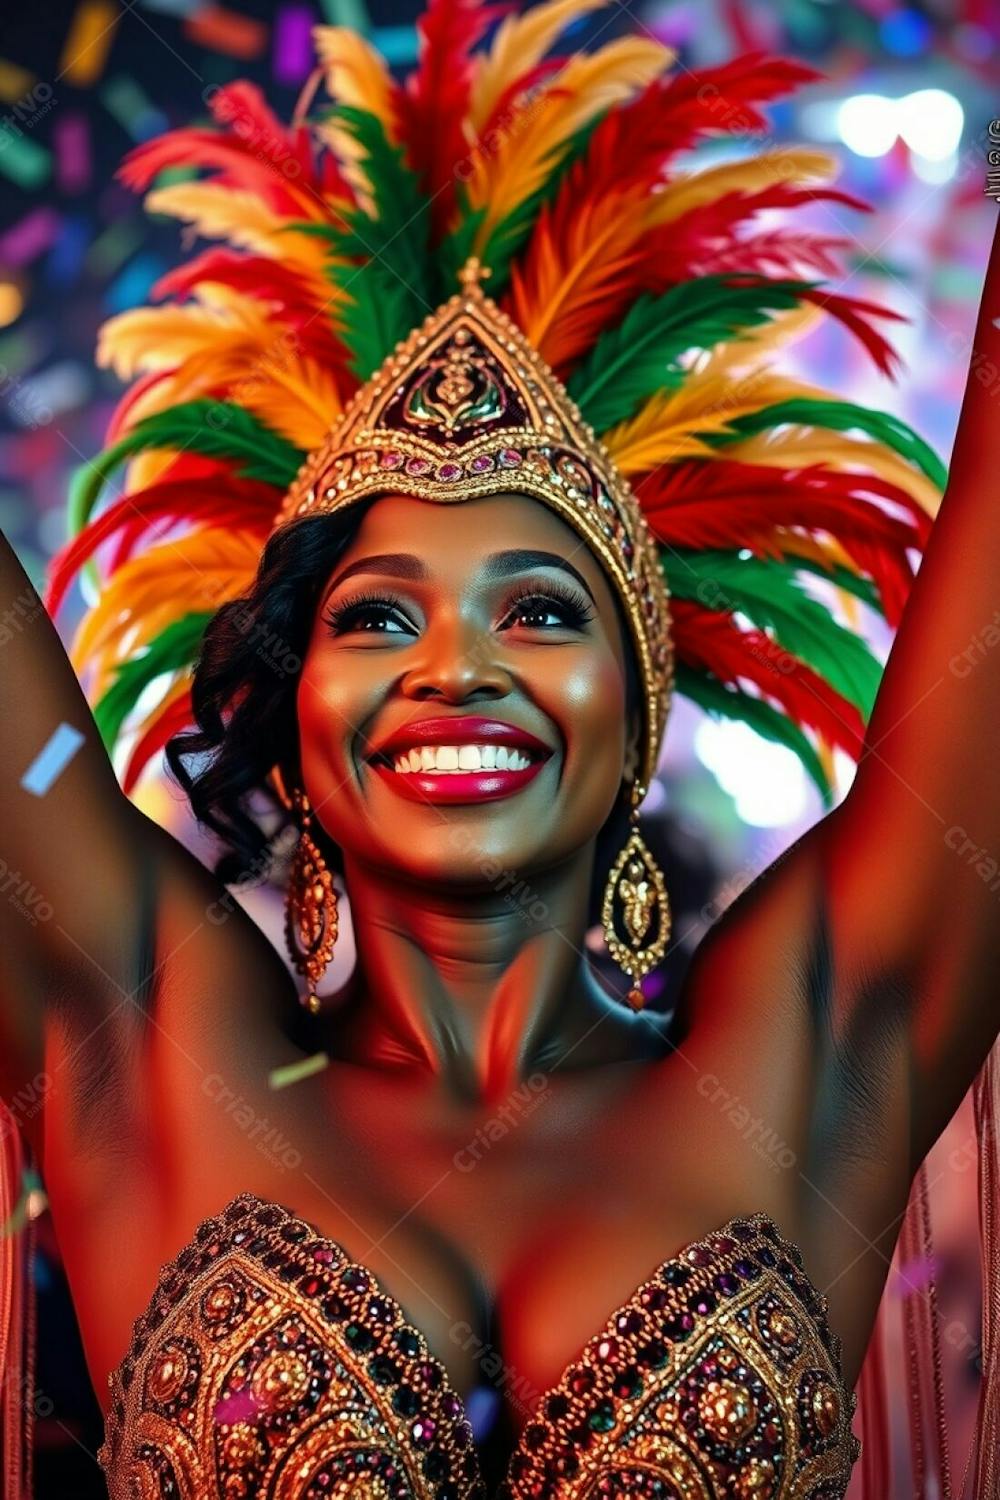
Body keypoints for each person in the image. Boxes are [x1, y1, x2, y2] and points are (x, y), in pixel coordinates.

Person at [1, 3, 998, 1495]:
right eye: (378, 620)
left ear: (632, 726)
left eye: (537, 613)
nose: (458, 668)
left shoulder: (808, 1048)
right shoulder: (144, 1040)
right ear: (294, 731)